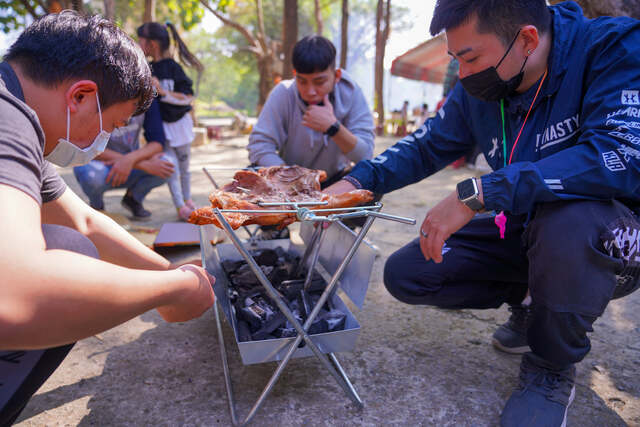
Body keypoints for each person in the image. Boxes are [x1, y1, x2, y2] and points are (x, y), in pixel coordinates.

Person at [325, 1, 640, 425]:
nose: (463, 73)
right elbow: (425, 145)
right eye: (455, 59)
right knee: (410, 273)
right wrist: (358, 181)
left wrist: (479, 192)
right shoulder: (482, 87)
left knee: (567, 223)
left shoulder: (612, 47)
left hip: (609, 237)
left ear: (527, 39)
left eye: (470, 57)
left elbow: (618, 155)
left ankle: (550, 366)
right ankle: (534, 304)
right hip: (528, 228)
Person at [0, 12, 215, 424]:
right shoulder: (8, 122)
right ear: (80, 96)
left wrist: (176, 274)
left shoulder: (17, 115)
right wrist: (167, 290)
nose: (100, 144)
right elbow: (15, 296)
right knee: (68, 258)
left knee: (69, 240)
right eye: (112, 124)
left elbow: (83, 221)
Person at [248, 35, 375, 238]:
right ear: (294, 74)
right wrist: (291, 178)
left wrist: (332, 127)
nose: (311, 91)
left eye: (319, 81)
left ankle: (338, 232)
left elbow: (364, 154)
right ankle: (274, 234)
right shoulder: (283, 93)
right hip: (286, 181)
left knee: (371, 177)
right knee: (252, 176)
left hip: (332, 182)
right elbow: (259, 146)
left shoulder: (352, 94)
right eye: (302, 81)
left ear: (337, 75)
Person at [136, 21, 204, 221]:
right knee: (171, 168)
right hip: (161, 129)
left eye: (140, 41)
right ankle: (180, 206)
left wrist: (163, 91)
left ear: (152, 44)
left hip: (180, 127)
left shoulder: (173, 68)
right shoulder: (145, 69)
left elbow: (188, 96)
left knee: (184, 168)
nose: (138, 45)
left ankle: (188, 199)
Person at [73, 98, 175, 218]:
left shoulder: (147, 97)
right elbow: (85, 145)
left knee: (168, 165)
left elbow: (157, 142)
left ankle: (133, 198)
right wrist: (138, 164)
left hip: (131, 163)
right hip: (101, 164)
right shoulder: (97, 96)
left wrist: (130, 160)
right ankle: (96, 205)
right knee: (89, 176)